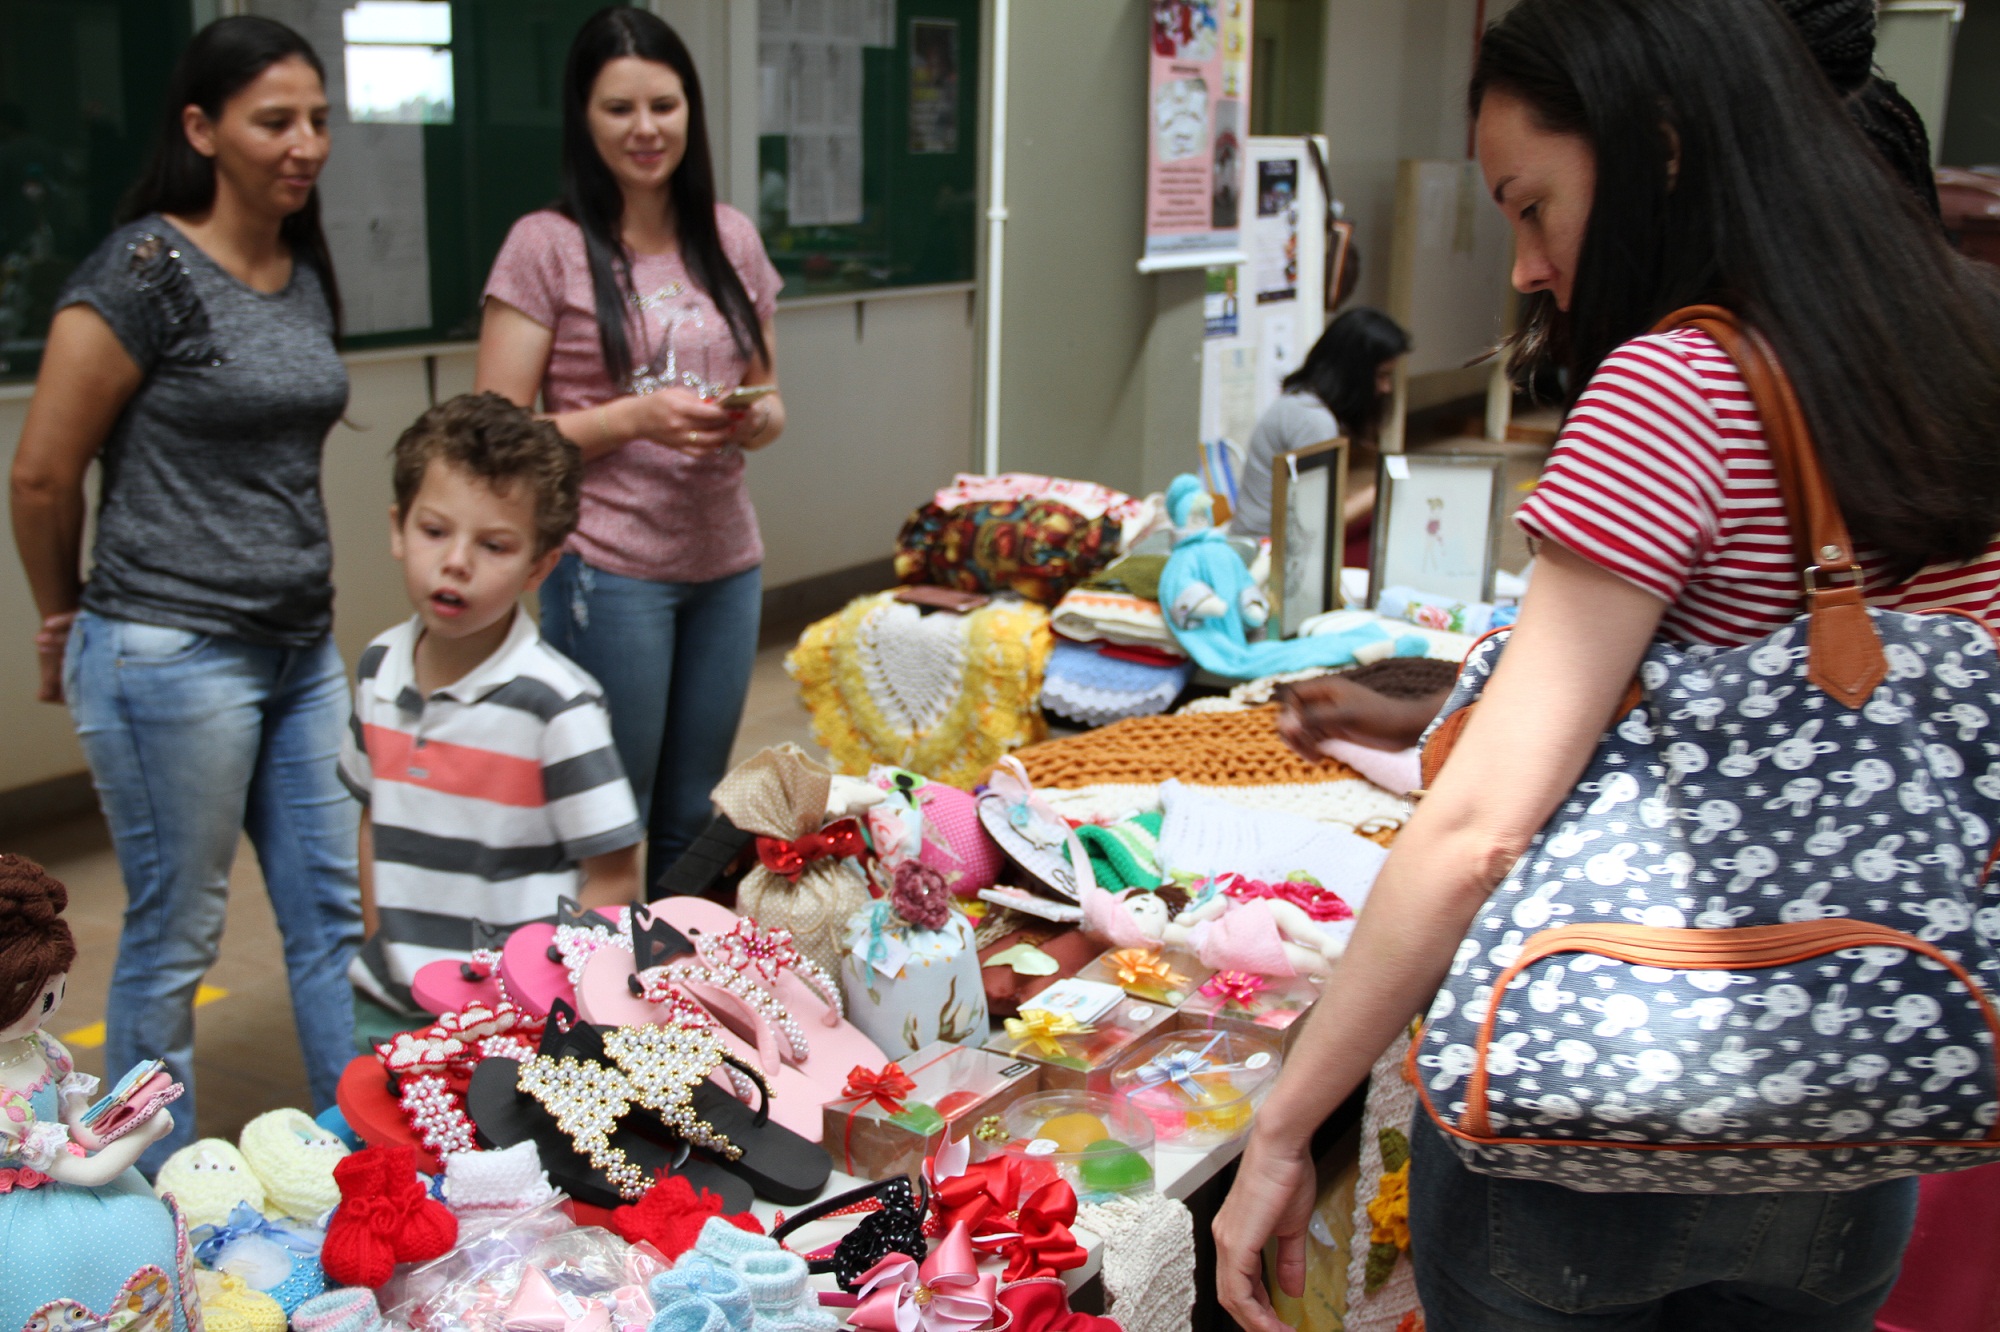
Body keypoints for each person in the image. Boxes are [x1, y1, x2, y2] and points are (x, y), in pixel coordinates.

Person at [1212, 0, 2000, 1328]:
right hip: (1853, 1119)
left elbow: (1477, 829)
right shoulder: (1953, 343)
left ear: (1661, 151)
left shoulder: (1676, 387)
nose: (1522, 264)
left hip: (1601, 1116)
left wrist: (1288, 1125)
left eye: (1533, 206)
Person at [9, 16, 360, 1173]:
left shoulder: (301, 270)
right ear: (202, 129)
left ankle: (351, 1169)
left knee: (328, 926)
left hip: (298, 648)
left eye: (316, 117)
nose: (304, 143)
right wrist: (64, 616)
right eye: (275, 121)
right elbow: (45, 474)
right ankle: (141, 1204)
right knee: (175, 938)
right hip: (168, 650)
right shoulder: (142, 273)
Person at [474, 6, 785, 889]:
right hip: (608, 570)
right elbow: (491, 438)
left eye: (664, 104)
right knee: (607, 813)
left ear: (691, 110)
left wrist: (755, 420)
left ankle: (672, 998)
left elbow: (770, 396)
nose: (646, 129)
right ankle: (591, 1008)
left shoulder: (730, 238)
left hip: (726, 560)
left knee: (696, 810)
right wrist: (633, 419)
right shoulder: (548, 246)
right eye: (619, 109)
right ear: (583, 118)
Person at [341, 393, 645, 1014]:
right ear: (398, 529)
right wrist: (382, 943)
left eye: (495, 546)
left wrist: (572, 1008)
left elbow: (613, 872)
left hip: (516, 1015)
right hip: (388, 1001)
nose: (455, 562)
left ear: (540, 567)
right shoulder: (377, 669)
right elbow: (374, 816)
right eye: (434, 531)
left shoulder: (557, 706)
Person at [0, 856, 193, 1332]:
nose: (45, 1011)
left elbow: (80, 1132)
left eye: (53, 996)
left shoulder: (37, 1046)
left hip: (63, 1177)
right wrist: (146, 1133)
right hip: (20, 1229)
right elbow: (88, 1171)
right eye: (35, 999)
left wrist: (119, 1117)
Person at [1228, 306, 1409, 572]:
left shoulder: (1301, 402)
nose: (1386, 388)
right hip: (1265, 550)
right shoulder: (1313, 420)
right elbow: (1317, 523)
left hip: (1267, 537)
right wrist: (1380, 489)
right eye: (1381, 376)